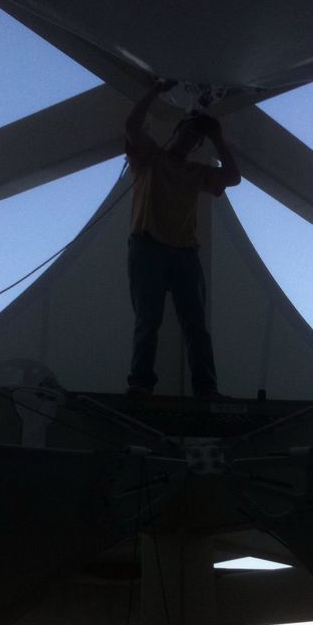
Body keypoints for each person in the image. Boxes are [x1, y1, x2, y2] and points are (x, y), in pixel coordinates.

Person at [123, 80, 241, 397]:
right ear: (175, 132)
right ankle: (141, 382)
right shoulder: (149, 158)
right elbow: (132, 126)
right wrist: (152, 91)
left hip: (184, 251)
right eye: (186, 133)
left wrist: (217, 136)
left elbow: (233, 177)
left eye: (194, 138)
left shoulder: (195, 172)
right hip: (148, 245)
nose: (189, 140)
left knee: (195, 324)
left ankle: (206, 387)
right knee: (148, 319)